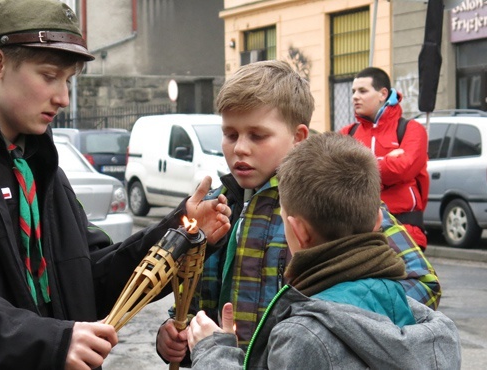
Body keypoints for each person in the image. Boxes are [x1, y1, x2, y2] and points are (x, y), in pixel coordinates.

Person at [0, 0, 231, 369]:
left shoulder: (41, 169)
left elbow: (89, 280)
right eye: (48, 76)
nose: (63, 97)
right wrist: (52, 341)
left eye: (68, 81)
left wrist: (177, 234)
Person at [156, 60, 441, 366]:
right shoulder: (216, 205)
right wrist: (176, 332)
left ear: (299, 137)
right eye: (230, 134)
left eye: (257, 135)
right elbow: (193, 292)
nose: (240, 148)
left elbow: (423, 284)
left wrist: (327, 331)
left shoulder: (327, 198)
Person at [186, 132, 461, 369]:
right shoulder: (424, 321)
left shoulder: (301, 337)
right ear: (378, 221)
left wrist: (213, 352)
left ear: (299, 231)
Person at [340, 67, 429, 250]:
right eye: (353, 91)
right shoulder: (347, 133)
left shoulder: (411, 129)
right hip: (359, 234)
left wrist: (358, 170)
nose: (355, 96)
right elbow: (336, 175)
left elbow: (404, 168)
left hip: (405, 230)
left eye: (363, 91)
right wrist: (386, 161)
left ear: (383, 94)